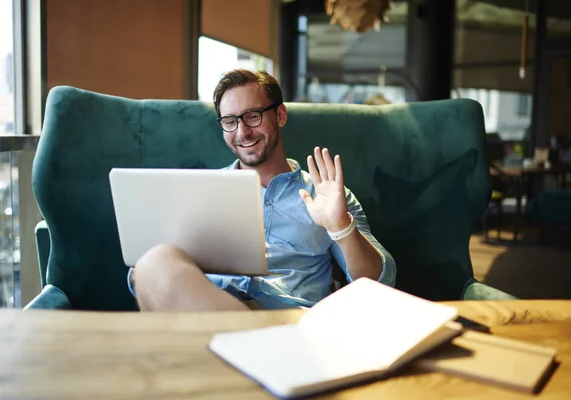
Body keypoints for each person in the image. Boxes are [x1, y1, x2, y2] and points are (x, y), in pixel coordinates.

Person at [129, 69, 396, 311]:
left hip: (283, 323)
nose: (242, 132)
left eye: (252, 116)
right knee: (154, 261)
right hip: (210, 308)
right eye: (230, 121)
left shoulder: (325, 195)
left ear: (279, 115)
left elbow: (379, 280)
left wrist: (340, 225)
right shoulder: (201, 192)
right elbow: (149, 279)